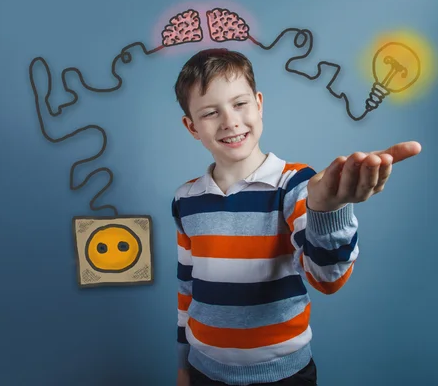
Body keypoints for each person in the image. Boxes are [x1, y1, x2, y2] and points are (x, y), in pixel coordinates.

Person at [171, 48, 421, 386]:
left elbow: (328, 278)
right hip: (204, 372)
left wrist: (328, 210)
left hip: (284, 376)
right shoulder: (186, 199)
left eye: (239, 104)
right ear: (191, 127)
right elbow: (186, 288)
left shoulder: (297, 185)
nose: (230, 121)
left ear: (259, 103)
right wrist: (183, 364)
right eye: (211, 112)